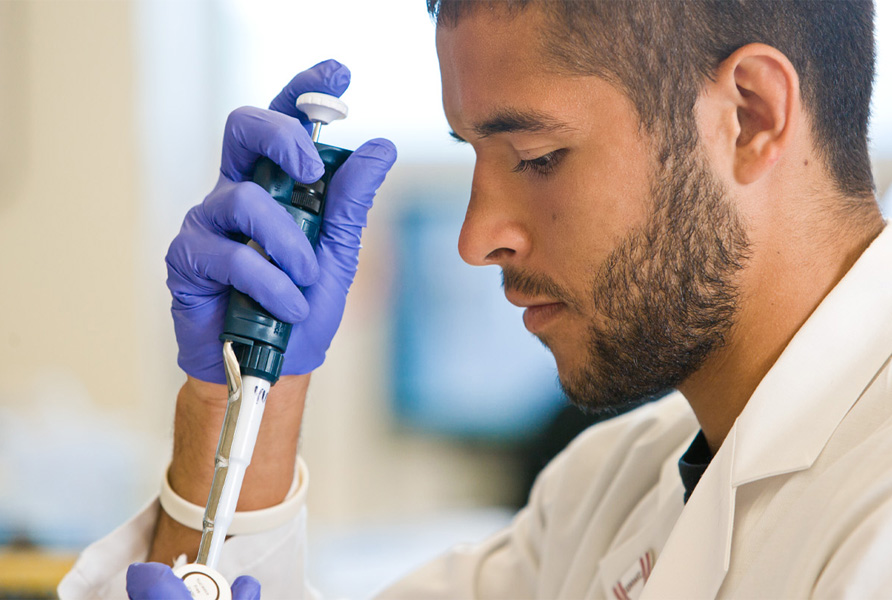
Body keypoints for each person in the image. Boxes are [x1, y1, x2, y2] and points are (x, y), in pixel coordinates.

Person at [60, 0, 892, 598]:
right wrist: (239, 388)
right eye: (471, 155)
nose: (476, 238)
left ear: (750, 114)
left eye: (535, 156)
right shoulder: (607, 493)